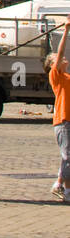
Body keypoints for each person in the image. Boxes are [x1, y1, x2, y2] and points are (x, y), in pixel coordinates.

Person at [46, 19, 69, 202]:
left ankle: (61, 187)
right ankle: (63, 188)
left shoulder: (67, 77)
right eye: (57, 59)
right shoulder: (56, 76)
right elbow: (61, 51)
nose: (62, 58)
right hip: (63, 121)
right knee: (68, 156)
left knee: (67, 157)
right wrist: (66, 29)